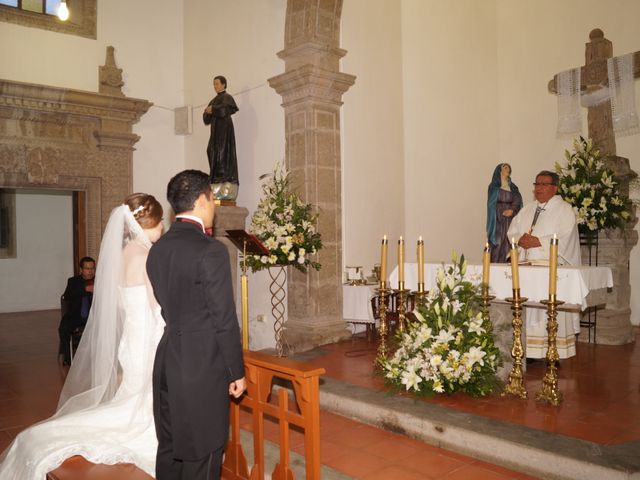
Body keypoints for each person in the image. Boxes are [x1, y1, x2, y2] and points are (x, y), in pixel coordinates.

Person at [0, 193, 165, 479]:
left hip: (132, 336)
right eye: (160, 221)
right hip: (146, 337)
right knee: (142, 393)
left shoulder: (123, 254)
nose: (163, 226)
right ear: (147, 223)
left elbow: (119, 301)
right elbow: (156, 304)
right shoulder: (146, 255)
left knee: (135, 391)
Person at [147, 169, 246, 480]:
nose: (214, 206)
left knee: (171, 447)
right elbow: (224, 318)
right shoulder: (210, 250)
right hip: (200, 365)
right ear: (203, 200)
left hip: (167, 359)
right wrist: (237, 371)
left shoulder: (158, 249)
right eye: (213, 200)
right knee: (203, 452)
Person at [507, 170, 582, 360]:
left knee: (549, 306)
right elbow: (513, 231)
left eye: (543, 184)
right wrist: (520, 239)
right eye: (536, 184)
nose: (538, 188)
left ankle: (552, 352)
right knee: (528, 307)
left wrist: (539, 241)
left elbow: (566, 237)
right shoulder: (527, 209)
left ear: (554, 188)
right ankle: (530, 352)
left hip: (551, 269)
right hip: (526, 267)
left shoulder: (564, 209)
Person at [203, 75, 239, 200]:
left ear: (224, 84)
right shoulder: (213, 100)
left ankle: (224, 178)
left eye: (217, 84)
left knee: (223, 154)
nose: (215, 86)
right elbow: (206, 119)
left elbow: (226, 110)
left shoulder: (227, 97)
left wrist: (213, 109)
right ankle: (216, 178)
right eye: (214, 84)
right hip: (215, 132)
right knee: (211, 151)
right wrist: (208, 111)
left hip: (224, 130)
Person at [58, 256, 96, 366]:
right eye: (87, 269)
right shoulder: (73, 281)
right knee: (64, 327)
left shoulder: (99, 280)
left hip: (94, 316)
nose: (90, 271)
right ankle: (68, 357)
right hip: (76, 315)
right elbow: (68, 295)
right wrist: (85, 289)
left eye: (92, 268)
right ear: (81, 270)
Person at [486, 163, 522, 263]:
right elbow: (491, 204)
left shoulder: (513, 187)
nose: (508, 169)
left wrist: (512, 210)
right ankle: (495, 266)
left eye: (509, 168)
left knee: (509, 242)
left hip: (510, 218)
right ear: (499, 170)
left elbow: (517, 199)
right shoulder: (494, 187)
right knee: (497, 242)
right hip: (498, 219)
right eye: (505, 168)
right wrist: (500, 212)